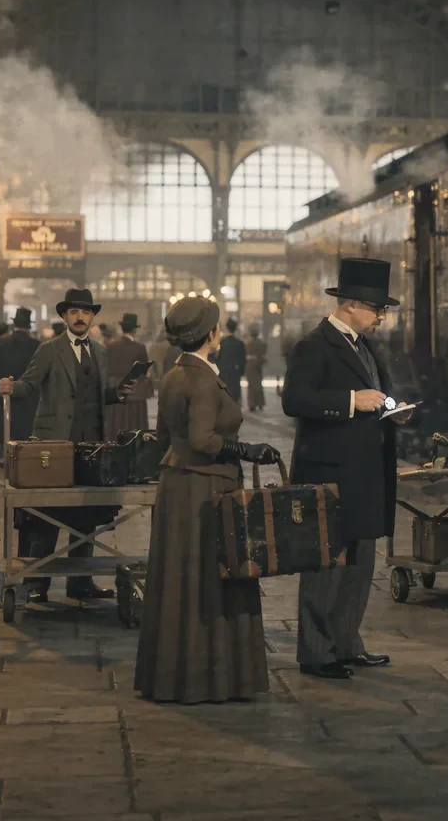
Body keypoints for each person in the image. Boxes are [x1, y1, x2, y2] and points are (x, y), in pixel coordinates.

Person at [135, 296, 281, 703]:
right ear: (212, 334)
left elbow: (167, 435)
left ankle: (173, 677)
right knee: (213, 580)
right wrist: (247, 450)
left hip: (178, 486)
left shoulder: (173, 374)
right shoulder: (201, 379)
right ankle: (213, 679)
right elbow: (202, 439)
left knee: (180, 582)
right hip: (206, 488)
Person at [282, 257, 411, 680]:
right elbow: (295, 401)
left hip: (365, 473)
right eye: (377, 309)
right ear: (352, 304)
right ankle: (317, 654)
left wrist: (393, 410)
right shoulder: (314, 345)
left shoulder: (364, 345)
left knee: (359, 566)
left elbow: (378, 394)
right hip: (329, 474)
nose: (381, 318)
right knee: (326, 566)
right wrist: (351, 401)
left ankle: (346, 643)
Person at [0, 288, 145, 602]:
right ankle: (37, 585)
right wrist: (12, 387)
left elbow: (99, 393)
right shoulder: (50, 350)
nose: (80, 317)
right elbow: (31, 383)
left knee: (86, 513)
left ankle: (81, 584)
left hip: (92, 445)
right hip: (55, 443)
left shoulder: (100, 351)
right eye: (74, 312)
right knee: (47, 512)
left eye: (85, 312)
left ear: (92, 317)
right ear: (65, 317)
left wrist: (118, 393)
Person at [0, 309, 38, 457]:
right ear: (29, 326)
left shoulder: (2, 342)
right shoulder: (37, 345)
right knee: (24, 429)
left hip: (3, 393)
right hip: (28, 394)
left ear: (14, 324)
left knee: (4, 426)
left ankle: (1, 456)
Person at [104, 312, 152, 437]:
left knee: (116, 422)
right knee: (133, 423)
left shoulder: (110, 346)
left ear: (122, 328)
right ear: (135, 330)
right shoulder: (139, 348)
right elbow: (144, 371)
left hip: (115, 390)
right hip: (133, 391)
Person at [215, 320, 246, 400]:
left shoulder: (222, 343)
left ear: (226, 329)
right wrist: (241, 372)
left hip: (223, 372)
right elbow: (242, 360)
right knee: (235, 394)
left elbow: (218, 358)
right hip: (235, 372)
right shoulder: (240, 343)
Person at [245, 326, 267, 413]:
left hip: (250, 366)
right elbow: (264, 354)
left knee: (251, 386)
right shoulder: (262, 344)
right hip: (258, 366)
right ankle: (260, 403)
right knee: (259, 385)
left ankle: (252, 404)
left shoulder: (247, 344)